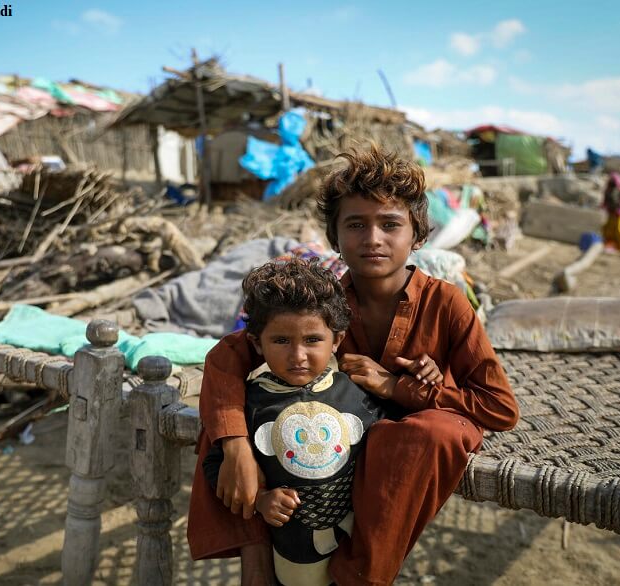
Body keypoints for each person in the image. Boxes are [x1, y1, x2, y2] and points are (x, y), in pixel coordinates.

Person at [188, 145, 520, 586]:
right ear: (335, 237)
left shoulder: (446, 303)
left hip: (418, 424)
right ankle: (257, 565)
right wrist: (236, 448)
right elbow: (228, 357)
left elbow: (499, 408)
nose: (373, 239)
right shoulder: (324, 305)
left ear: (418, 236)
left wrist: (397, 388)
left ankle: (361, 574)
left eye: (390, 225)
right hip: (334, 426)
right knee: (225, 415)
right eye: (356, 224)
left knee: (429, 432)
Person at [203, 258, 384, 586]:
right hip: (294, 550)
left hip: (355, 541)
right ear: (257, 343)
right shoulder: (252, 401)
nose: (298, 355)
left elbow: (389, 439)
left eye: (313, 340)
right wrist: (260, 500)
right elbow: (217, 467)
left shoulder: (355, 392)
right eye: (281, 341)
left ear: (338, 340)